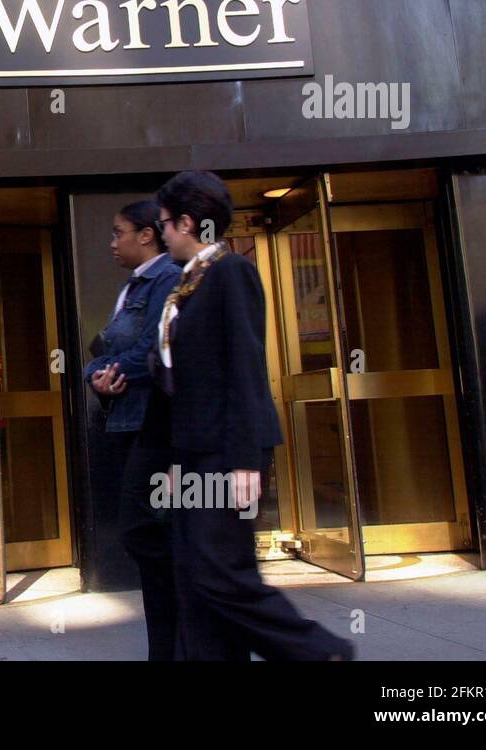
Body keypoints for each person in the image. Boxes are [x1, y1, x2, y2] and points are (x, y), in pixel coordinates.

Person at [154, 171, 354, 661]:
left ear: (186, 222)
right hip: (193, 450)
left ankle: (319, 652)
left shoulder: (229, 272)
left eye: (164, 223)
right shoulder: (191, 279)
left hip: (225, 450)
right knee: (192, 572)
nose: (160, 233)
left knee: (220, 571)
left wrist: (245, 460)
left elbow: (245, 363)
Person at [84, 200, 182, 660]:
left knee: (145, 533)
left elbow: (153, 349)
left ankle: (179, 640)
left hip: (153, 427)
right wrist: (98, 376)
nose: (111, 242)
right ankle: (166, 648)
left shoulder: (164, 279)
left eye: (118, 232)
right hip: (128, 423)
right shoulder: (135, 285)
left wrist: (106, 371)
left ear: (147, 235)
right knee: (147, 538)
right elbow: (101, 350)